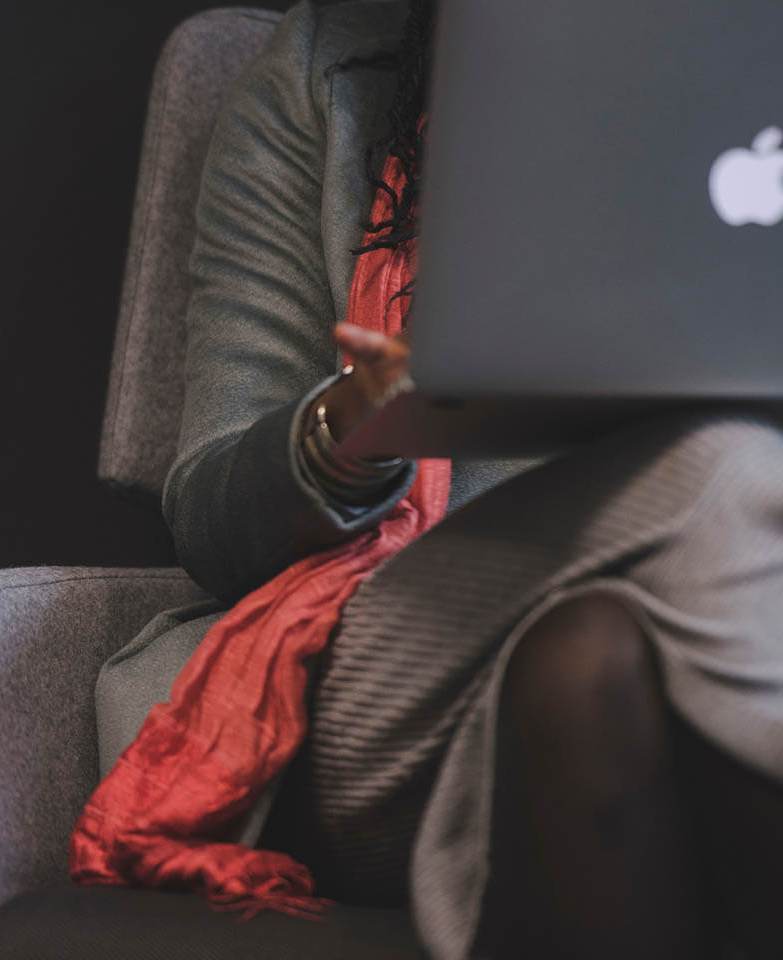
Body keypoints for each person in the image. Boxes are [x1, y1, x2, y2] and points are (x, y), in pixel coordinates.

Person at [91, 2, 783, 957]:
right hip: (385, 669)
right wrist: (348, 429)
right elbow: (209, 512)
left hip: (660, 652)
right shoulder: (320, 79)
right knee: (726, 470)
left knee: (589, 662)